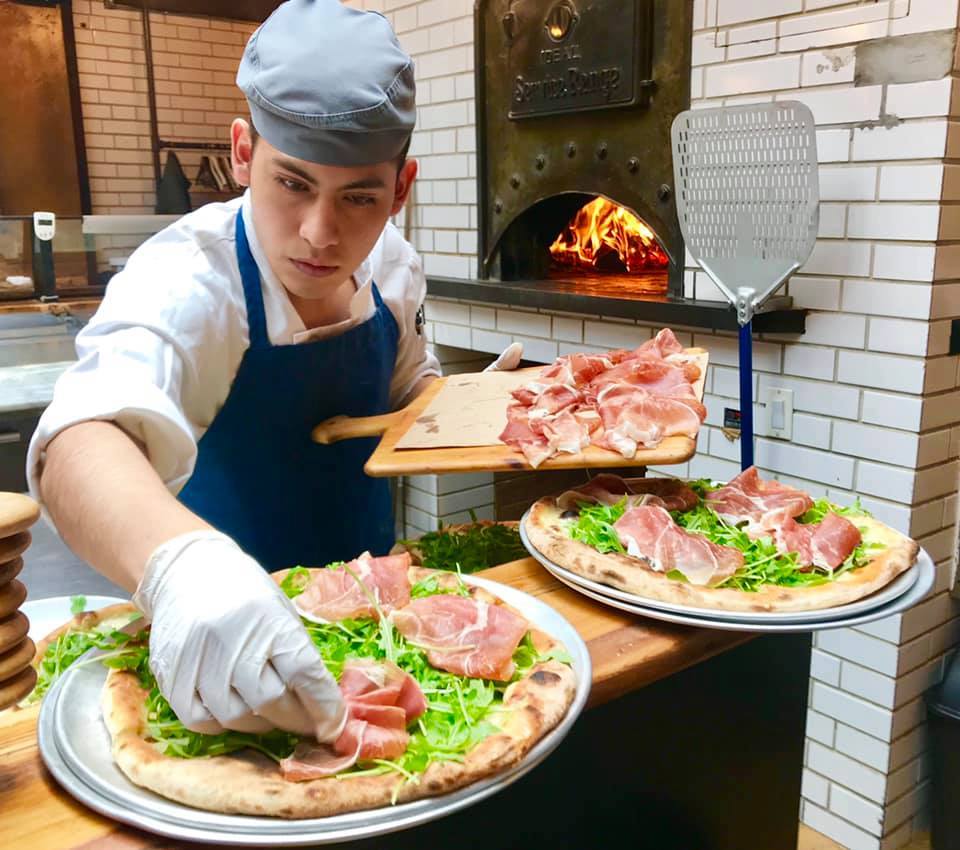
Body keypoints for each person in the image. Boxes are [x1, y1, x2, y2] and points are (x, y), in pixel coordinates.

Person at [27, 0, 520, 744]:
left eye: (360, 197)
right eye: (292, 184)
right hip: (218, 668)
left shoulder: (394, 265)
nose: (321, 235)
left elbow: (407, 391)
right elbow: (78, 442)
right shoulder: (190, 280)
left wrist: (484, 405)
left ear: (402, 187)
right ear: (243, 154)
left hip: (374, 636)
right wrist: (182, 572)